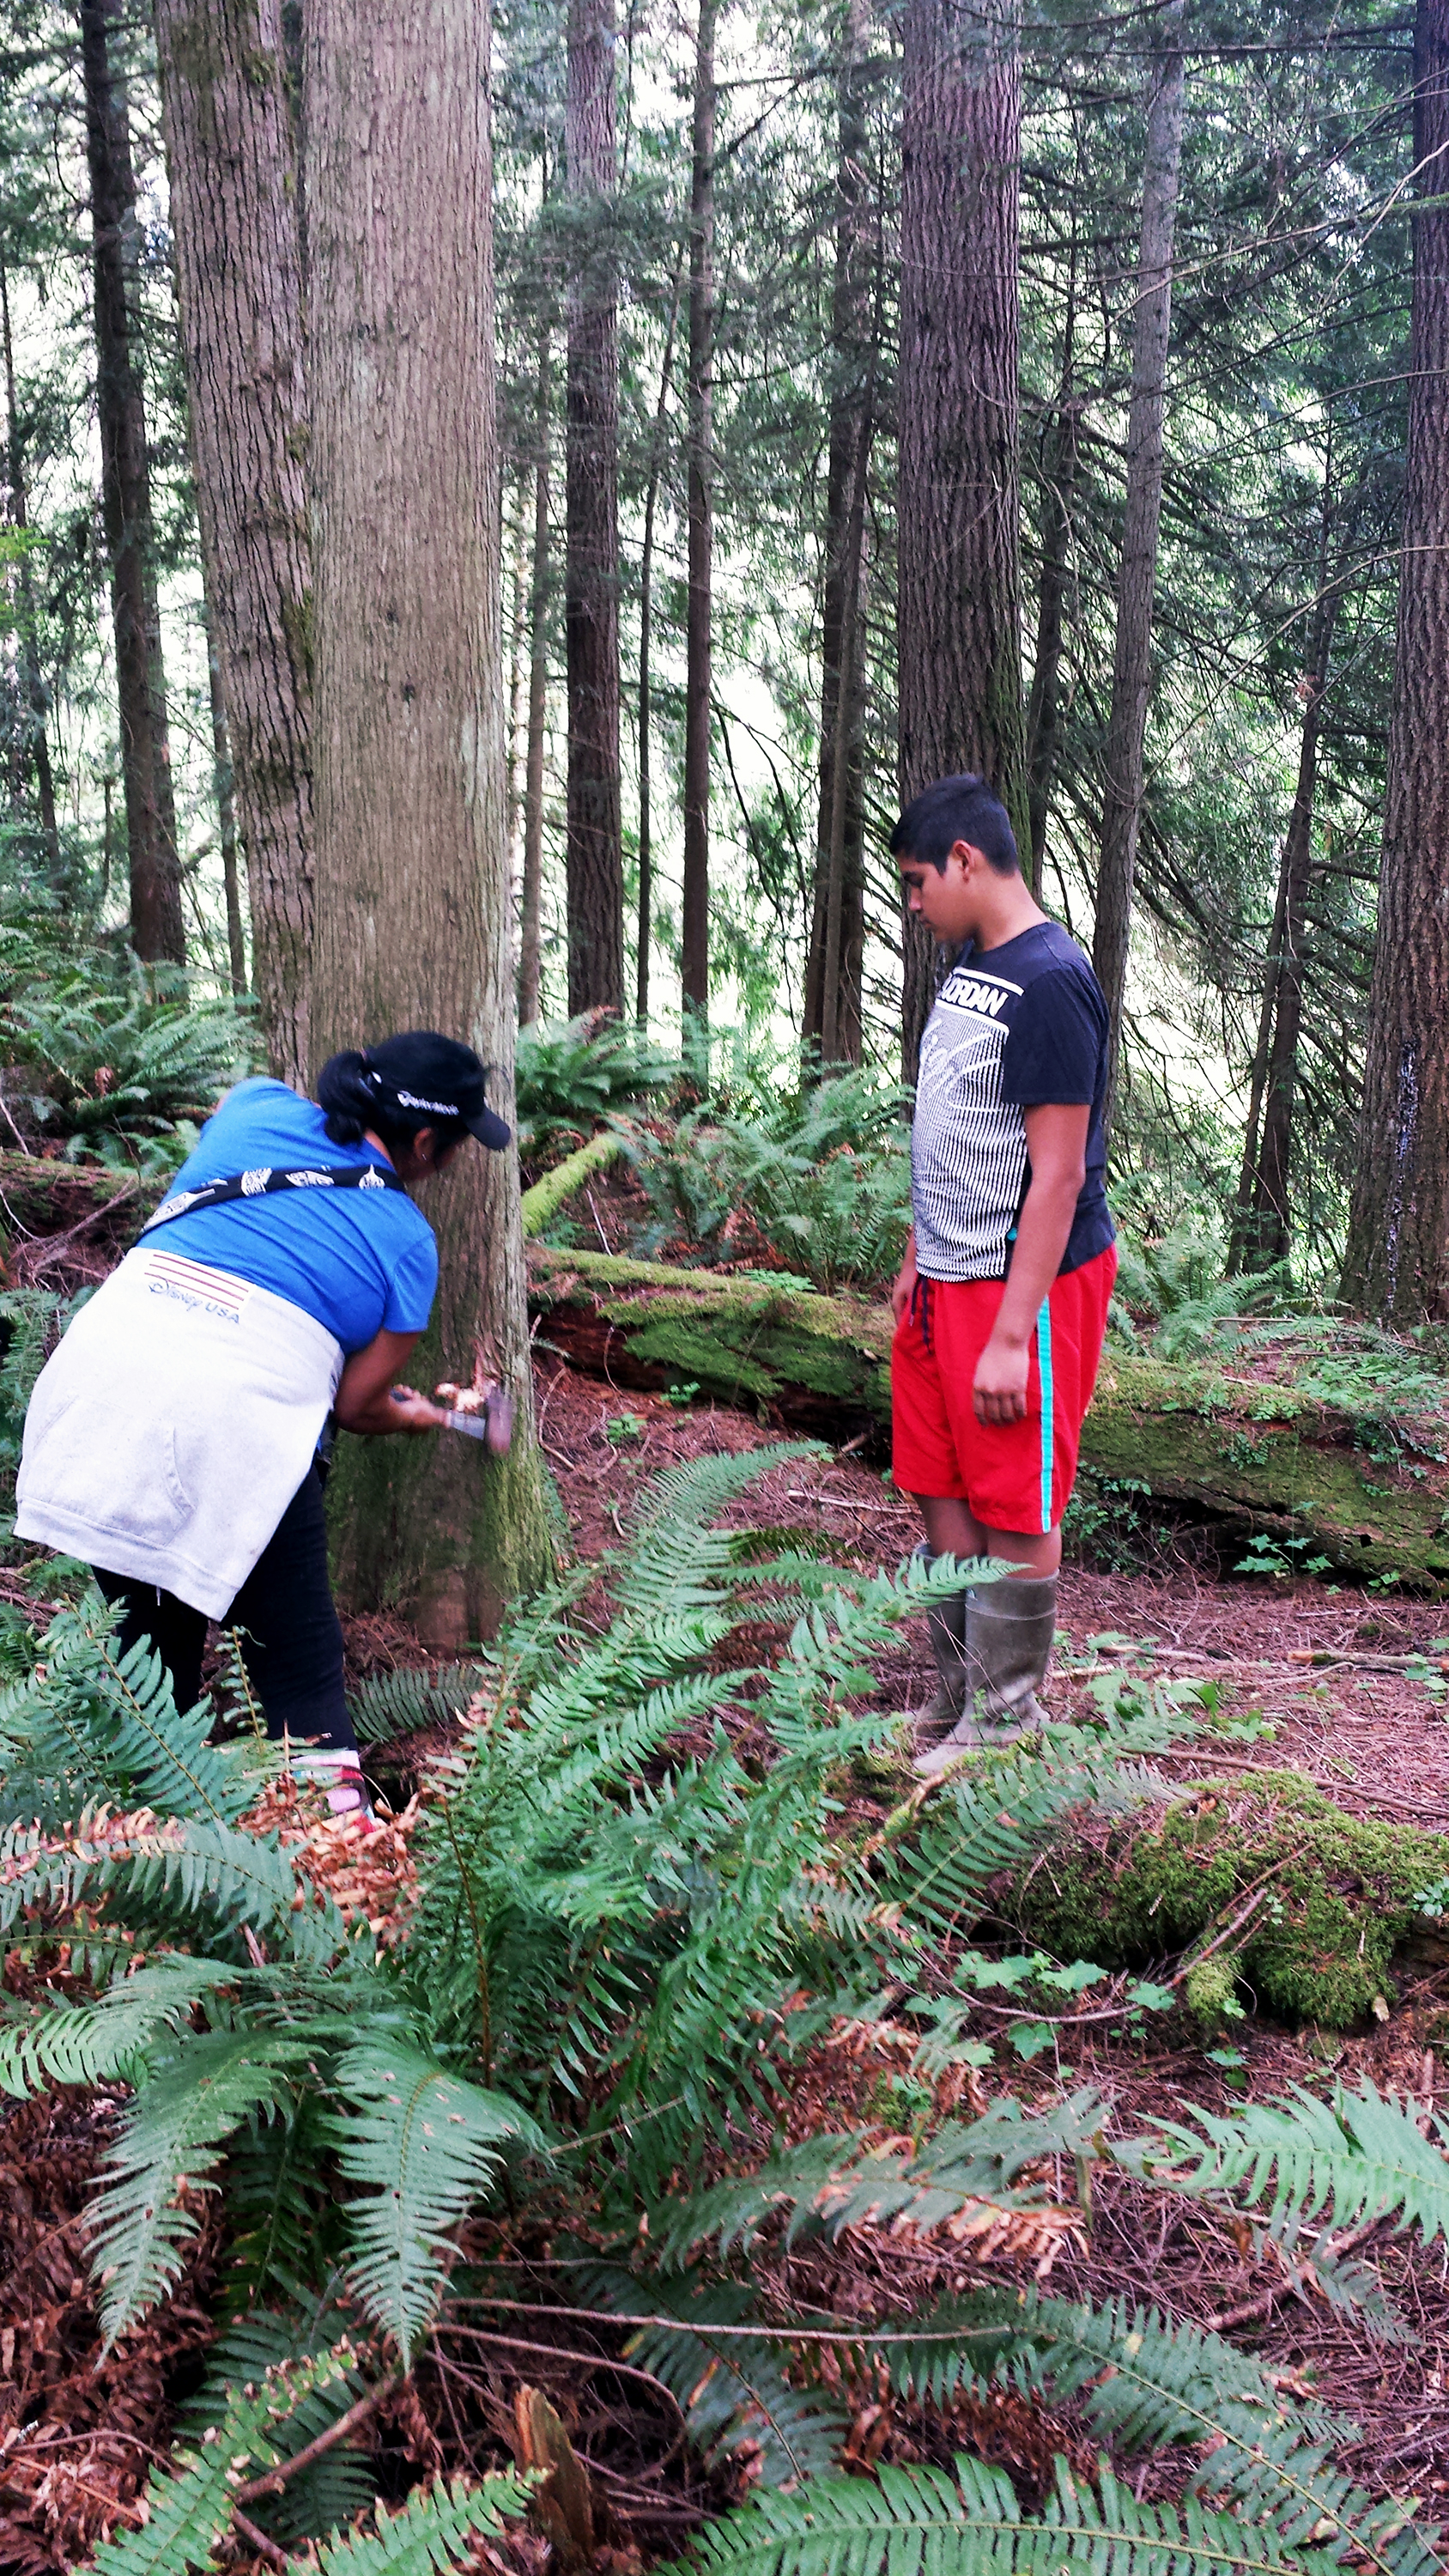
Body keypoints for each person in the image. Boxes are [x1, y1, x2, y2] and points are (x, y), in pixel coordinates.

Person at [15, 1031, 511, 1820]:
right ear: (424, 1143)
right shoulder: (409, 1243)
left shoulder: (253, 1103)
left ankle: (130, 1859)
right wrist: (414, 1417)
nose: (449, 1164)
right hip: (238, 1430)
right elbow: (355, 1405)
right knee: (297, 1670)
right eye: (454, 1149)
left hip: (101, 1382)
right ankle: (342, 1886)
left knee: (150, 1658)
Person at [889, 775, 1116, 1775]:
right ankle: (956, 1694)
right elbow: (952, 1117)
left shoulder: (1052, 980)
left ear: (966, 862)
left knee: (1013, 1502)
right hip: (943, 1274)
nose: (911, 901)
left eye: (916, 880)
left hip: (1018, 1282)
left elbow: (1058, 1172)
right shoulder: (971, 964)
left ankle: (1007, 1720)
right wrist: (914, 1253)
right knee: (938, 1485)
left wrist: (1014, 1332)